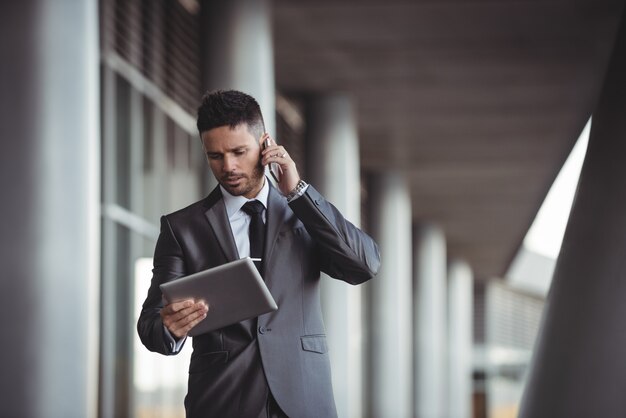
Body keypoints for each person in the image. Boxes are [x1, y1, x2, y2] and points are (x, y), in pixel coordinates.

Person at [137, 90, 380, 418]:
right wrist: (169, 327)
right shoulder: (183, 227)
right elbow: (151, 323)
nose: (229, 167)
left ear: (266, 144)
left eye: (239, 151)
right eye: (215, 156)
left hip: (303, 399)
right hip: (223, 399)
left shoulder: (302, 214)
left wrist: (298, 193)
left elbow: (363, 264)